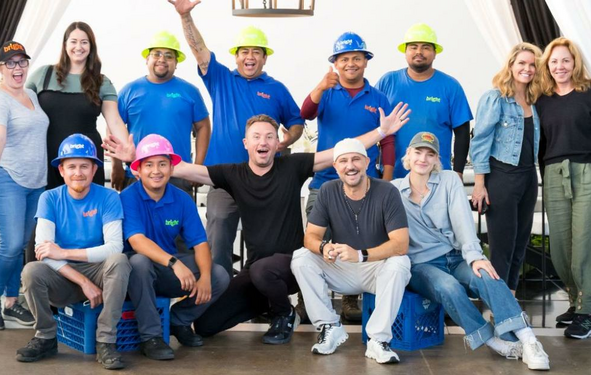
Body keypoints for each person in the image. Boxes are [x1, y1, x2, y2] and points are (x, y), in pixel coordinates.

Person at [104, 103, 411, 347]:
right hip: (257, 270)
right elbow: (180, 168)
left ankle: (283, 313)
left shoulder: (292, 166)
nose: (263, 141)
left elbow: (341, 152)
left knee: (266, 270)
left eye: (269, 136)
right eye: (256, 137)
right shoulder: (233, 173)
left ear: (277, 143)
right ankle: (260, 303)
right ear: (246, 143)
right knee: (208, 325)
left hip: (293, 266)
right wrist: (138, 156)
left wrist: (380, 132)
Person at [393, 132, 550, 370]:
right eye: (418, 152)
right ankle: (492, 341)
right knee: (449, 287)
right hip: (422, 265)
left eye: (430, 154)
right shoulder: (394, 191)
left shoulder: (449, 181)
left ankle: (528, 340)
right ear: (408, 155)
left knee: (488, 275)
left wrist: (476, 257)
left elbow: (463, 222)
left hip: (455, 258)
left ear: (437, 159)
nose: (423, 159)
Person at [170, 0, 305, 274]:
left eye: (256, 51)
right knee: (218, 226)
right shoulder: (221, 78)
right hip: (224, 180)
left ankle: (267, 292)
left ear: (265, 57)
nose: (250, 57)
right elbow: (198, 50)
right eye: (244, 51)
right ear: (236, 56)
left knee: (272, 241)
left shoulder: (277, 89)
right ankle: (217, 289)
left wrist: (286, 141)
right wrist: (185, 17)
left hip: (266, 180)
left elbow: (296, 122)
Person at [301, 31, 396, 323]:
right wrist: (320, 86)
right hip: (323, 182)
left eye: (357, 58)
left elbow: (388, 141)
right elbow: (305, 112)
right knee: (317, 242)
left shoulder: (378, 98)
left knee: (358, 238)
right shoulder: (326, 92)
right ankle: (310, 302)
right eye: (344, 59)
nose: (351, 64)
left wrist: (387, 182)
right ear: (336, 63)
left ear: (366, 62)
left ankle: (351, 301)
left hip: (364, 185)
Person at [15, 134, 131, 370]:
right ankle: (46, 336)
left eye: (84, 166)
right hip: (64, 276)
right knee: (31, 271)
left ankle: (106, 341)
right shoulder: (49, 198)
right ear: (61, 170)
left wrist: (64, 252)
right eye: (72, 166)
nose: (78, 172)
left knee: (119, 261)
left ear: (94, 169)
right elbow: (45, 252)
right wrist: (83, 282)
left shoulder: (109, 197)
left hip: (99, 270)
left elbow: (114, 247)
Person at [292, 138, 411, 364]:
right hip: (343, 268)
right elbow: (310, 237)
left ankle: (378, 340)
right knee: (301, 258)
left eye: (356, 159)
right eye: (343, 161)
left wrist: (361, 254)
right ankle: (330, 326)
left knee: (400, 262)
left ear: (366, 162)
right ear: (335, 167)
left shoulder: (387, 191)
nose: (350, 166)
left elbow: (400, 244)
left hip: (376, 269)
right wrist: (324, 247)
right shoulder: (327, 191)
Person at [535, 37, 591, 339]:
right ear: (548, 65)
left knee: (586, 242)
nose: (560, 66)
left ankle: (587, 313)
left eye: (565, 61)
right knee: (560, 245)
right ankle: (575, 302)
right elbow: (540, 142)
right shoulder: (542, 100)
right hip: (554, 175)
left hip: (588, 173)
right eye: (554, 61)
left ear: (575, 64)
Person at [123, 134, 229, 360]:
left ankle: (179, 321)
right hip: (137, 274)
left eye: (162, 164)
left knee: (219, 274)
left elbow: (200, 242)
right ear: (137, 170)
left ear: (172, 169)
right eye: (148, 165)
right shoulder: (128, 197)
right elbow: (136, 241)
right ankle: (151, 337)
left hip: (166, 271)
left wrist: (205, 276)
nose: (156, 171)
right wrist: (174, 263)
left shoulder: (181, 199)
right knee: (138, 262)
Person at [0, 41, 45, 331]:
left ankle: (11, 302)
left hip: (35, 181)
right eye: (11, 63)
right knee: (12, 243)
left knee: (20, 246)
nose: (17, 68)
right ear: (0, 69)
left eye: (22, 62)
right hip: (6, 177)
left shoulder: (31, 94)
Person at [470, 43, 543, 294]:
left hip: (528, 176)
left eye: (532, 64)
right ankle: (498, 309)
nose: (527, 68)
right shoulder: (495, 98)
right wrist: (480, 185)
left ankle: (510, 301)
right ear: (510, 65)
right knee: (502, 246)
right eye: (522, 63)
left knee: (520, 244)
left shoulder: (534, 100)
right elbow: (480, 140)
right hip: (502, 176)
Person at [25, 22, 130, 189]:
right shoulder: (43, 75)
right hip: (47, 157)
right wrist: (0, 95)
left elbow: (115, 121)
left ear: (91, 47)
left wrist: (130, 151)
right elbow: (18, 101)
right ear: (65, 44)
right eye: (73, 41)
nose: (78, 46)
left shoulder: (102, 82)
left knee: (88, 212)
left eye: (84, 42)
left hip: (87, 160)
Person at [113, 31, 210, 196]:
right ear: (147, 59)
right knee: (137, 221)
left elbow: (203, 127)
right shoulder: (129, 91)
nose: (162, 59)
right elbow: (114, 128)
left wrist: (198, 166)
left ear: (176, 62)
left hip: (179, 174)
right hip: (137, 173)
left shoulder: (189, 92)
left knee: (177, 222)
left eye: (168, 55)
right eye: (156, 54)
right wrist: (116, 166)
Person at [377, 23, 473, 178]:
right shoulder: (388, 82)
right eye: (413, 47)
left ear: (435, 53)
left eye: (426, 47)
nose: (419, 52)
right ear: (405, 51)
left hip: (437, 176)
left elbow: (462, 133)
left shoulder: (450, 86)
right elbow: (372, 124)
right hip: (394, 176)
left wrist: (458, 173)